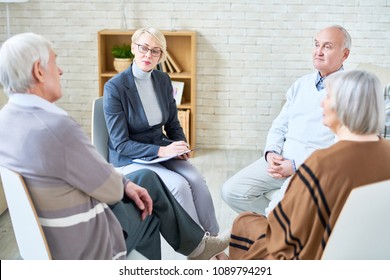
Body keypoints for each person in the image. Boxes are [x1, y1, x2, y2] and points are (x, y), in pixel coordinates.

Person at [0, 32, 229, 260]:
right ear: (39, 71)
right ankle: (198, 250)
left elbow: (90, 176)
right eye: (54, 62)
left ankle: (202, 246)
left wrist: (130, 181)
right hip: (88, 238)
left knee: (150, 181)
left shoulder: (6, 119)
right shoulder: (57, 126)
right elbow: (107, 188)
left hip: (51, 233)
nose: (60, 71)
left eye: (155, 50)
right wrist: (125, 184)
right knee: (149, 208)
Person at [229, 69, 390, 259]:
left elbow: (285, 234)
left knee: (244, 221)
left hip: (314, 255)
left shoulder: (322, 164)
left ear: (346, 105)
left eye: (328, 97)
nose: (322, 103)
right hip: (368, 253)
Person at [103, 27, 223, 251]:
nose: (148, 55)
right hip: (129, 158)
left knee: (196, 179)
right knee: (178, 186)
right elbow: (120, 143)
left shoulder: (162, 79)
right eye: (144, 48)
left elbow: (173, 124)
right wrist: (162, 152)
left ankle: (213, 239)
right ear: (133, 48)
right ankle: (199, 248)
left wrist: (180, 146)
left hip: (159, 150)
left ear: (161, 56)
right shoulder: (115, 88)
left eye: (156, 51)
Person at [221, 25, 352, 216]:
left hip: (312, 169)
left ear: (345, 54)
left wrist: (296, 165)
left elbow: (341, 148)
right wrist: (271, 153)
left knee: (279, 209)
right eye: (317, 45)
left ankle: (277, 227)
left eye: (327, 47)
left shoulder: (350, 91)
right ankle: (276, 227)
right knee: (231, 191)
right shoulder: (301, 84)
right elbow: (279, 125)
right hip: (280, 160)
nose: (319, 52)